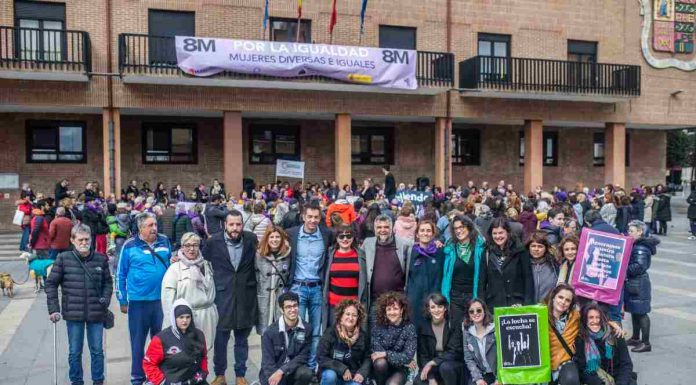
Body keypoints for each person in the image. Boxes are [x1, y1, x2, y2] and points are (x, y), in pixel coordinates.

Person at [46, 224, 113, 385]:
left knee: (97, 351)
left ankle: (98, 381)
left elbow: (108, 283)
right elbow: (51, 284)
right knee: (75, 352)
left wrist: (105, 300)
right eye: (80, 239)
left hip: (96, 312)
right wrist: (54, 309)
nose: (84, 242)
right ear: (72, 240)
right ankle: (76, 381)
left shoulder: (100, 258)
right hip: (73, 313)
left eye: (87, 239)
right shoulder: (63, 259)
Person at [117, 212, 172, 385]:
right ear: (141, 228)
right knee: (138, 344)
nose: (154, 228)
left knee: (160, 343)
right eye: (150, 225)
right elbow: (120, 273)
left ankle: (157, 377)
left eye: (155, 224)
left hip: (161, 302)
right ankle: (137, 377)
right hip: (138, 303)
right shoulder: (129, 245)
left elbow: (171, 265)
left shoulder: (164, 241)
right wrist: (122, 299)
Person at [204, 211, 259, 385]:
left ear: (242, 224)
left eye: (238, 224)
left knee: (242, 340)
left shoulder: (251, 239)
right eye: (231, 224)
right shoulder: (213, 242)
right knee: (220, 340)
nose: (235, 228)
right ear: (225, 225)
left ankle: (240, 375)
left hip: (245, 297)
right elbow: (201, 260)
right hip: (222, 297)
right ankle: (220, 375)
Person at [286, 202, 334, 370]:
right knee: (297, 330)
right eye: (310, 217)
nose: (312, 220)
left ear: (320, 218)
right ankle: (297, 366)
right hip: (297, 287)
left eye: (316, 217)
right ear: (303, 217)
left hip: (317, 288)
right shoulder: (291, 234)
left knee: (315, 332)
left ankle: (311, 367)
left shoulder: (327, 235)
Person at [161, 232, 218, 353]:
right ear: (182, 247)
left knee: (205, 353)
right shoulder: (175, 269)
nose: (191, 249)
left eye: (195, 245)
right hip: (187, 319)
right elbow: (167, 300)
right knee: (187, 354)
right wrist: (171, 324)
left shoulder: (207, 265)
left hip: (207, 316)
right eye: (187, 245)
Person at [143, 299, 209, 385]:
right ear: (174, 318)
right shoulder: (161, 339)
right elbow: (148, 364)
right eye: (181, 317)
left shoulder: (199, 335)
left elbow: (203, 357)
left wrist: (203, 372)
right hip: (169, 381)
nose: (185, 321)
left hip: (195, 380)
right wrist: (163, 382)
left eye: (188, 317)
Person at [362, 214, 413, 324]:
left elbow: (420, 247)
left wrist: (437, 243)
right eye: (379, 227)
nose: (382, 230)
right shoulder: (368, 243)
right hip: (375, 300)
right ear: (374, 229)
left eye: (386, 227)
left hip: (397, 301)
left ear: (392, 228)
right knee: (375, 335)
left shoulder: (405, 244)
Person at [259, 292, 314, 385]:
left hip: (292, 370)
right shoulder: (270, 332)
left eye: (295, 306)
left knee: (306, 373)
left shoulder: (307, 328)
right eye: (288, 307)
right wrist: (275, 375)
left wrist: (282, 370)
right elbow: (267, 362)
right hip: (273, 372)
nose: (293, 310)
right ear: (281, 309)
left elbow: (303, 356)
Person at [575, 303, 635, 385]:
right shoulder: (581, 339)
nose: (595, 321)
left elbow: (626, 364)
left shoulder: (616, 334)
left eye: (598, 317)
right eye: (591, 317)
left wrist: (621, 383)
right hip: (597, 380)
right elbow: (583, 369)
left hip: (619, 378)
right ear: (585, 320)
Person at [441, 215, 486, 325]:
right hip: (455, 297)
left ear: (469, 227)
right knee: (456, 330)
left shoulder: (481, 247)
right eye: (455, 228)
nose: (458, 231)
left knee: (472, 329)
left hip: (473, 295)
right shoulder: (449, 247)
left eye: (462, 227)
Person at [481, 219, 534, 310]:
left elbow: (528, 279)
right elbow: (482, 281)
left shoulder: (520, 251)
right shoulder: (487, 251)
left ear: (508, 233)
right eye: (495, 233)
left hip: (516, 305)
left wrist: (527, 305)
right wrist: (481, 304)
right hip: (494, 305)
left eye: (501, 233)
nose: (498, 236)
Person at [322, 225, 367, 329]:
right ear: (336, 238)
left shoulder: (361, 255)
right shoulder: (329, 255)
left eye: (348, 236)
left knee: (352, 336)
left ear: (353, 237)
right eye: (341, 236)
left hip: (353, 306)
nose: (345, 239)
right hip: (334, 306)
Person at [317, 299, 371, 385]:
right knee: (330, 376)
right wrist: (342, 369)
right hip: (332, 373)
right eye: (347, 314)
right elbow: (321, 357)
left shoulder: (363, 336)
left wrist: (362, 373)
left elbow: (368, 358)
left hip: (352, 376)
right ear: (341, 316)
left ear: (358, 318)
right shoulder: (330, 332)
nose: (350, 318)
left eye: (354, 315)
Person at [625, 220, 658, 353]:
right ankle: (635, 338)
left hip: (639, 283)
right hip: (635, 282)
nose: (629, 233)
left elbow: (639, 267)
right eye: (629, 231)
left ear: (640, 232)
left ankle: (645, 342)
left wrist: (622, 268)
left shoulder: (640, 248)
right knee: (635, 311)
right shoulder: (637, 245)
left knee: (641, 313)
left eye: (632, 231)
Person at [371, 291, 418, 385]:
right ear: (385, 311)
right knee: (380, 363)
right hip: (382, 368)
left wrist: (385, 354)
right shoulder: (378, 326)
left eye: (395, 309)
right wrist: (402, 359)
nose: (392, 312)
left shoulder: (410, 328)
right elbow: (377, 353)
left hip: (400, 369)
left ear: (401, 310)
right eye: (389, 309)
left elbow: (407, 357)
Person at [415, 293, 462, 385]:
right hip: (433, 366)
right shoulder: (423, 327)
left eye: (440, 307)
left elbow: (454, 351)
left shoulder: (453, 324)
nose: (436, 310)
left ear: (445, 308)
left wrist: (433, 362)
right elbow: (423, 356)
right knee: (418, 382)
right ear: (428, 309)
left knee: (445, 367)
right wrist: (431, 378)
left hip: (451, 364)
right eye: (433, 307)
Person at [407, 221, 444, 329]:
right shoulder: (410, 253)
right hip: (415, 301)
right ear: (417, 234)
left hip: (435, 300)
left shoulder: (440, 252)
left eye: (428, 231)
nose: (425, 233)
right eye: (422, 230)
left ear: (433, 234)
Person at [256, 225, 293, 335]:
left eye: (277, 237)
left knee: (281, 332)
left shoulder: (288, 254)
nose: (274, 240)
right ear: (267, 238)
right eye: (271, 237)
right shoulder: (259, 254)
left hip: (280, 298)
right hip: (264, 298)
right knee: (265, 333)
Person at [545, 284, 581, 385]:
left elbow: (594, 320)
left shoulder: (575, 317)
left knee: (571, 379)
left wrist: (612, 323)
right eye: (560, 297)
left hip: (564, 360)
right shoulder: (539, 315)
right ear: (553, 297)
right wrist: (516, 311)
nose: (563, 302)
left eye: (567, 300)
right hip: (543, 362)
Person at [528, 231, 560, 303]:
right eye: (533, 246)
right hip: (527, 308)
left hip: (548, 307)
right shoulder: (523, 265)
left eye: (540, 246)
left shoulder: (553, 265)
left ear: (545, 248)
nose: (536, 249)